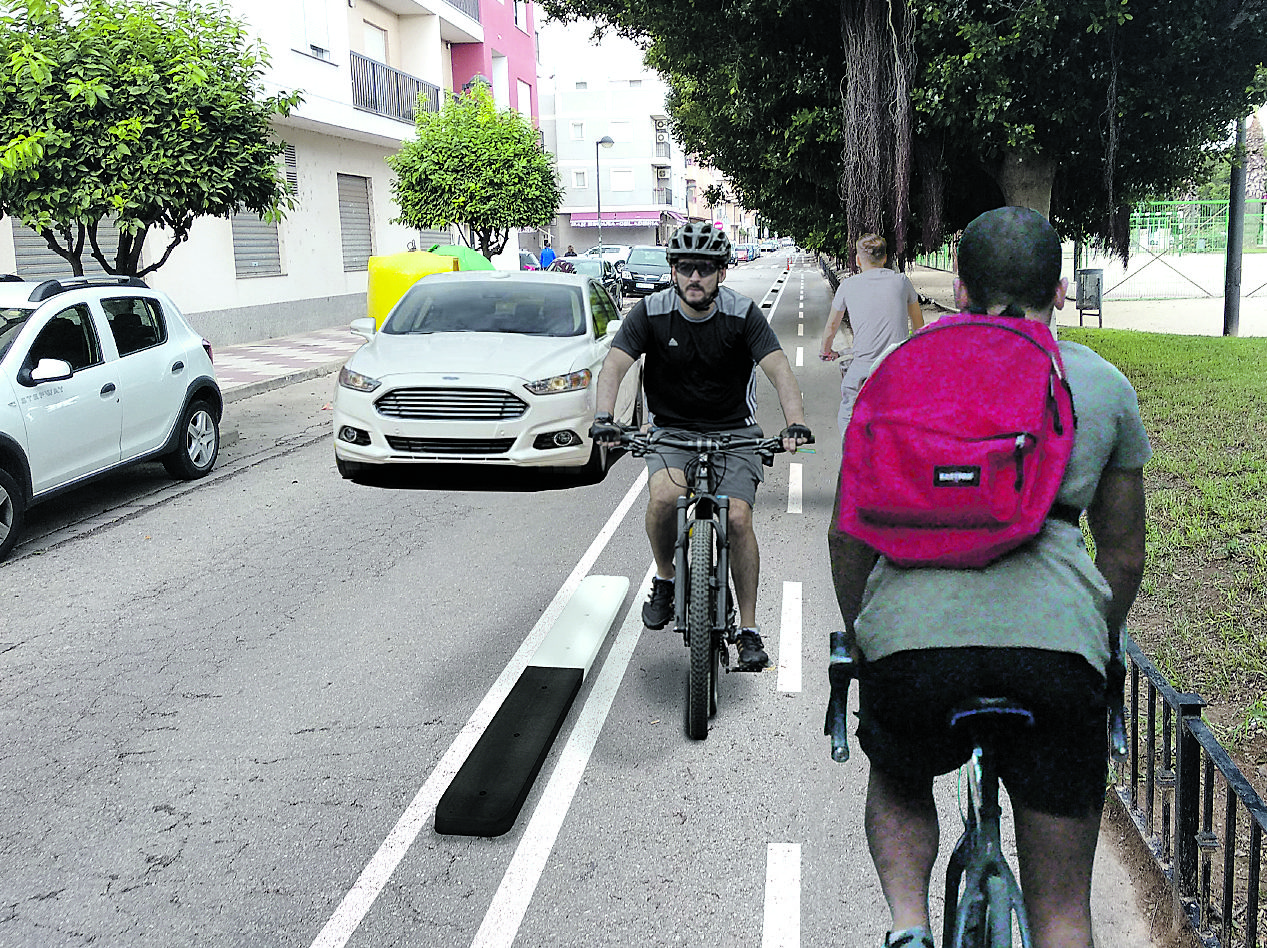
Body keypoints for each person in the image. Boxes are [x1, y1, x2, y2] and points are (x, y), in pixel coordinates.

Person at [827, 207, 1150, 948]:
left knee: (900, 777)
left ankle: (907, 924)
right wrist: (1093, 644)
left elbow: (847, 535)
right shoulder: (1101, 385)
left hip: (913, 646)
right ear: (1060, 292)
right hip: (1054, 652)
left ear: (961, 290)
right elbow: (1125, 554)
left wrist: (865, 637)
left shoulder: (896, 374)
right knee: (1063, 912)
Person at [590, 221, 812, 668]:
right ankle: (667, 579)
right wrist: (604, 418)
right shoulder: (649, 313)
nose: (695, 277)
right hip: (671, 433)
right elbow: (614, 366)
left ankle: (748, 629)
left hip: (735, 435)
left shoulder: (742, 314)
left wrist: (795, 425)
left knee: (739, 519)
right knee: (662, 499)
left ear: (721, 274)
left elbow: (779, 370)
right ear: (673, 271)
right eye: (687, 267)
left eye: (705, 269)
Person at [819, 234, 924, 437]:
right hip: (896, 372)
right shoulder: (902, 282)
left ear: (858, 260)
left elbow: (832, 326)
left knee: (847, 417)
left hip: (862, 373)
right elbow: (919, 327)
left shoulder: (848, 286)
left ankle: (852, 460)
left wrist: (826, 351)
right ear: (885, 258)